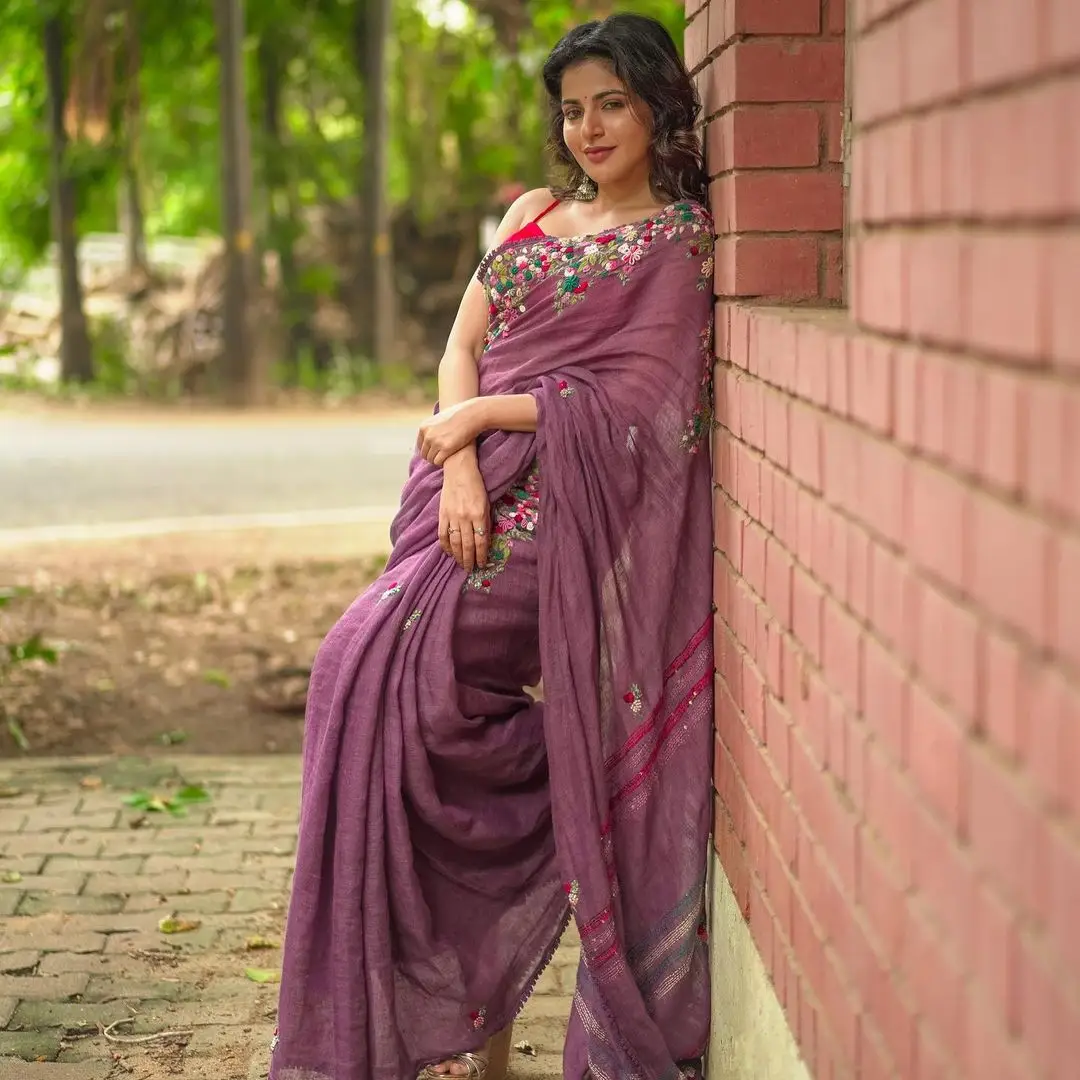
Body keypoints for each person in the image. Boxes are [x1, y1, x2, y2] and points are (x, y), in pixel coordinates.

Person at [269, 13, 716, 1080]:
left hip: (563, 521)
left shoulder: (679, 239)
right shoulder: (532, 211)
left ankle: (572, 798)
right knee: (372, 688)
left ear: (656, 103)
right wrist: (460, 455)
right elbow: (461, 345)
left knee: (389, 682)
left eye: (612, 102)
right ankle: (484, 1014)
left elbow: (642, 408)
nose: (590, 127)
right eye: (573, 109)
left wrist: (483, 423)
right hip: (456, 502)